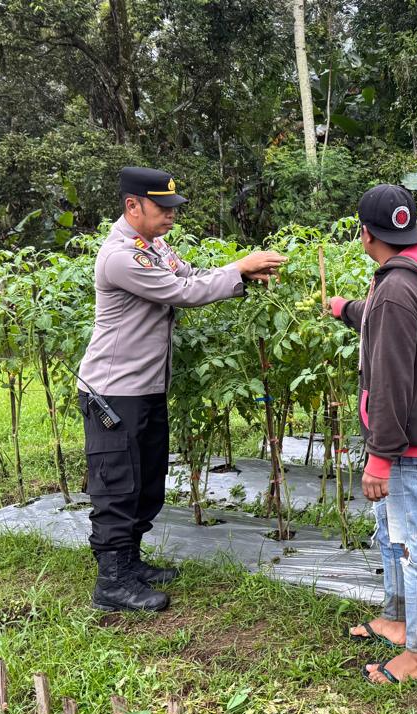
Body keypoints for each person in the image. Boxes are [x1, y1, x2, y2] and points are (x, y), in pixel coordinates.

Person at [76, 166, 287, 612]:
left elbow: (190, 273)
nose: (172, 215)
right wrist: (239, 268)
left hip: (146, 386)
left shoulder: (152, 245)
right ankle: (112, 583)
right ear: (132, 206)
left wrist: (242, 274)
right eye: (162, 207)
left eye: (174, 207)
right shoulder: (121, 256)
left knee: (145, 481)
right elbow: (181, 291)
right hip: (114, 391)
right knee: (117, 483)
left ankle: (131, 564)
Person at [328, 184, 417, 684]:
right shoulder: (414, 277)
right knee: (393, 535)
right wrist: (347, 309)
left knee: (412, 544)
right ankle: (398, 621)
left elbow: (390, 381)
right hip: (414, 434)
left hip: (407, 441)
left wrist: (380, 457)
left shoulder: (395, 290)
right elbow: (386, 330)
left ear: (365, 234)